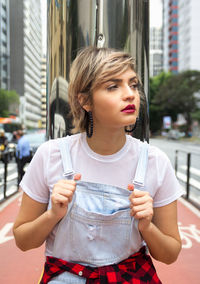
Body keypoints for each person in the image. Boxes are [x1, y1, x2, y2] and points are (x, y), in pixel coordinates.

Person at [13, 47, 183, 284]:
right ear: (85, 101)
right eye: (113, 86)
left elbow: (170, 253)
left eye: (133, 85)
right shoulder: (51, 155)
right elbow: (22, 240)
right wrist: (53, 214)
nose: (130, 95)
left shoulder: (155, 162)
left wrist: (147, 226)